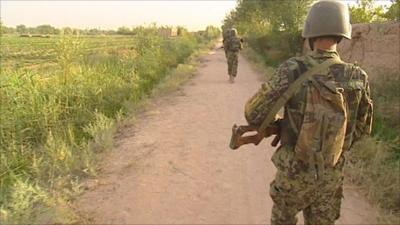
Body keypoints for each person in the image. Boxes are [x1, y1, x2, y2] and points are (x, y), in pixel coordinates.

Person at [243, 1, 373, 224]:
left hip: (293, 175)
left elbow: (254, 114)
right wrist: (331, 143)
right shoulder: (358, 77)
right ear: (342, 35)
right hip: (331, 175)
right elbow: (361, 128)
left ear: (310, 33)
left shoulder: (293, 68)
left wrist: (283, 124)